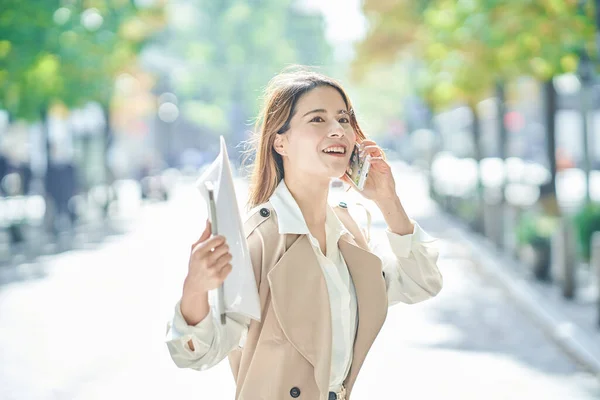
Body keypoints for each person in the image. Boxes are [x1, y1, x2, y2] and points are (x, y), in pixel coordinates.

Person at [165, 67, 443, 400]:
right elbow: (199, 352)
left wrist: (388, 200)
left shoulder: (349, 229)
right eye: (318, 119)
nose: (337, 130)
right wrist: (195, 288)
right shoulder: (259, 239)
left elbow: (422, 282)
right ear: (280, 141)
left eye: (343, 119)